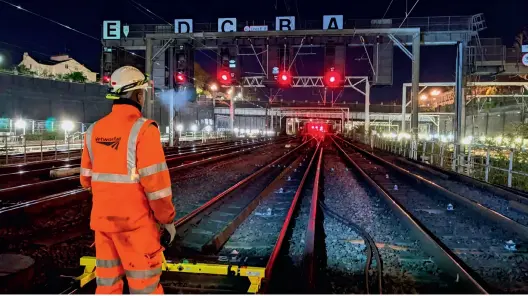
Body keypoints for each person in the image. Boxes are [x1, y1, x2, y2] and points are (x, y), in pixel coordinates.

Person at [80, 66, 176, 294]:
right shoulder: (144, 130)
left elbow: (86, 179)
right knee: (145, 287)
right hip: (136, 226)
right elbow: (157, 188)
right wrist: (167, 219)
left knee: (107, 285)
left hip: (103, 226)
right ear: (139, 95)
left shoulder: (94, 130)